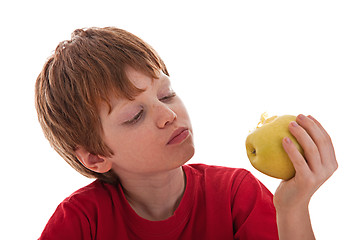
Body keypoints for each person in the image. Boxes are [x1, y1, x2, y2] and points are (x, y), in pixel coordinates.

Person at [35, 27, 338, 240]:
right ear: (95, 157)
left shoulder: (236, 195)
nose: (169, 115)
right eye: (136, 116)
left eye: (166, 94)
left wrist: (292, 208)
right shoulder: (80, 222)